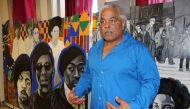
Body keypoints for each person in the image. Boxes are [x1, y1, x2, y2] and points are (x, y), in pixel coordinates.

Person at [69, 4, 160, 109]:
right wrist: (77, 92)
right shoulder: (94, 51)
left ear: (123, 24)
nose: (106, 25)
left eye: (112, 20)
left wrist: (133, 106)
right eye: (102, 21)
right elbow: (89, 75)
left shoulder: (138, 50)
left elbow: (152, 82)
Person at [55, 44, 87, 109]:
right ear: (63, 72)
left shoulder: (88, 94)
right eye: (71, 69)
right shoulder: (54, 98)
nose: (77, 75)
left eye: (81, 69)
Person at [30, 42, 58, 109]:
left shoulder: (60, 101)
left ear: (53, 70)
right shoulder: (29, 102)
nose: (43, 72)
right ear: (35, 71)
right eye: (39, 67)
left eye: (47, 66)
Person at [48, 16, 64, 87]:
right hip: (51, 76)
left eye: (57, 31)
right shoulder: (48, 46)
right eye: (54, 31)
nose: (56, 33)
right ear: (51, 32)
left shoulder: (62, 44)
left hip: (60, 75)